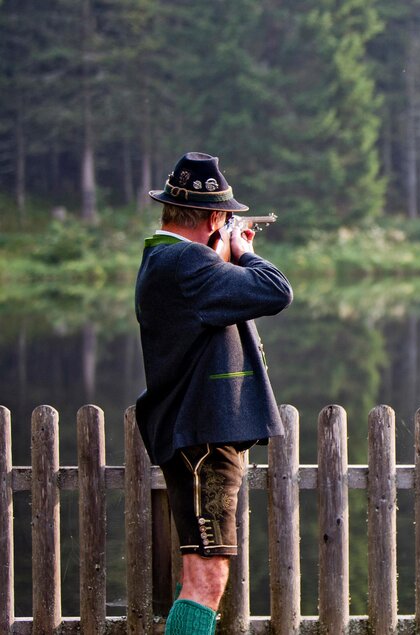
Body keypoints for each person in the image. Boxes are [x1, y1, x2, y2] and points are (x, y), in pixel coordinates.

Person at [134, 152, 292, 634]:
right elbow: (275, 290)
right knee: (206, 574)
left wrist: (223, 248)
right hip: (202, 433)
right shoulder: (186, 263)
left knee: (205, 569)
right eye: (227, 221)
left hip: (198, 431)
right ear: (216, 217)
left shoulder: (170, 259)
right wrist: (242, 251)